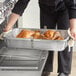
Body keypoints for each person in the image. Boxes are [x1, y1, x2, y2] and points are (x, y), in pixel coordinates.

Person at [4, 0, 76, 76]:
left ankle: (64, 71)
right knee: (45, 37)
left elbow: (72, 5)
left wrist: (73, 28)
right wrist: (9, 26)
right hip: (45, 8)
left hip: (64, 8)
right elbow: (22, 3)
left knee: (65, 37)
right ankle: (46, 68)